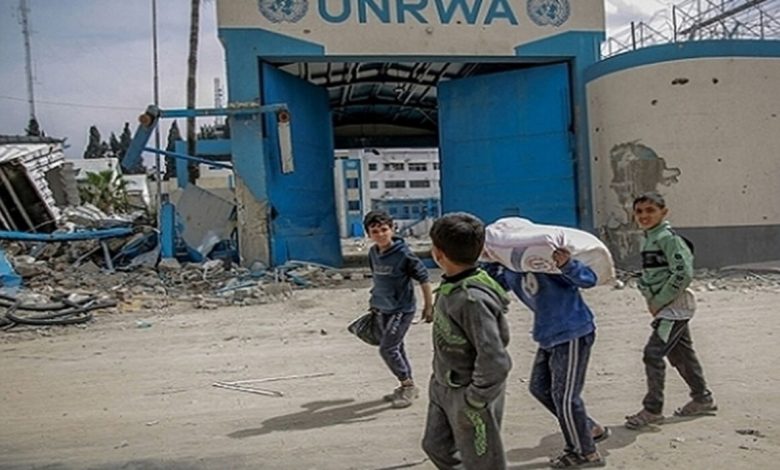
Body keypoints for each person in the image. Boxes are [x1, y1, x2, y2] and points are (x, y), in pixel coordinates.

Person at [485, 246, 608, 469]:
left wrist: (567, 265)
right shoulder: (512, 268)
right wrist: (492, 263)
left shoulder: (545, 260)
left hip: (572, 332)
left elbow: (588, 280)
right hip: (547, 335)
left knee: (565, 397)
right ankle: (588, 428)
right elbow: (496, 286)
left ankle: (585, 453)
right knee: (540, 388)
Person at [421, 212, 512, 470]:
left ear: (438, 253)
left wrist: (476, 398)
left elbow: (495, 359)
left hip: (471, 394)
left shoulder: (472, 299)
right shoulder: (450, 286)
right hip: (443, 386)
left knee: (481, 461)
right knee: (436, 446)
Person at [624, 192, 716, 430]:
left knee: (653, 354)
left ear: (663, 213)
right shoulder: (649, 239)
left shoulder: (668, 239)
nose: (644, 216)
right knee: (682, 354)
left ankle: (653, 410)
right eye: (639, 211)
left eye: (650, 210)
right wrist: (648, 295)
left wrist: (660, 301)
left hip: (675, 309)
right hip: (664, 307)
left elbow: (683, 274)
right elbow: (651, 274)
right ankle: (702, 399)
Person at [364, 210, 433, 409]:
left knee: (387, 348)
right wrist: (374, 303)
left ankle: (408, 385)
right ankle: (405, 385)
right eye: (375, 231)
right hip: (382, 309)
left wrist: (428, 306)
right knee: (396, 347)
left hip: (402, 309)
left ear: (393, 229)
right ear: (368, 234)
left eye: (384, 229)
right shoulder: (373, 253)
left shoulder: (403, 254)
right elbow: (378, 280)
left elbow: (424, 278)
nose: (380, 234)